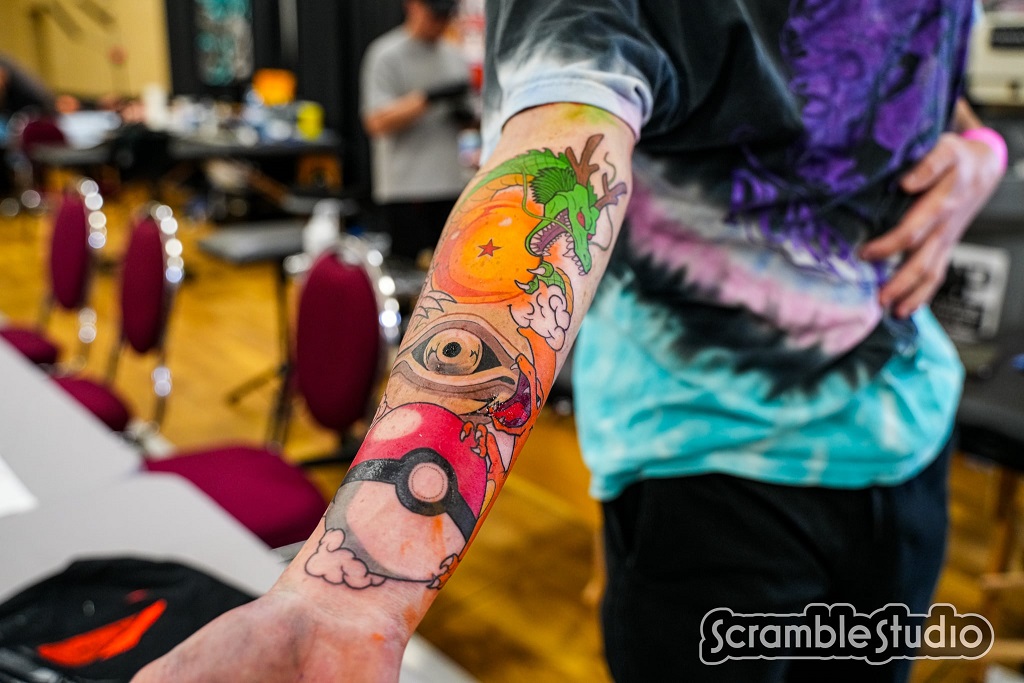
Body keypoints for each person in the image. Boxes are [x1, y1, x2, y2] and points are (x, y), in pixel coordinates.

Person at [134, 0, 1007, 681]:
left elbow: (912, 82)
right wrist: (347, 593)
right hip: (710, 471)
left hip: (908, 430)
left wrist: (979, 148)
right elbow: (560, 146)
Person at [360, 0, 473, 263]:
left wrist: (465, 116)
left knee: (450, 270)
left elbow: (471, 123)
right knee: (408, 273)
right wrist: (427, 98)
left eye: (446, 16)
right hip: (405, 189)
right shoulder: (386, 54)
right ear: (413, 6)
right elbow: (375, 122)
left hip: (450, 186)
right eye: (434, 15)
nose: (439, 23)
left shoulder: (455, 57)